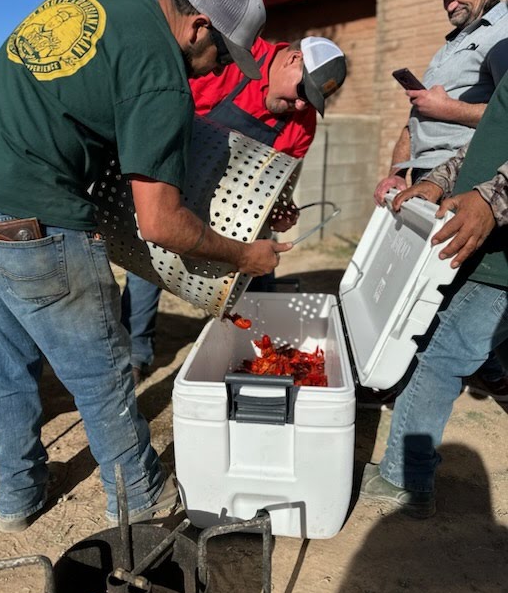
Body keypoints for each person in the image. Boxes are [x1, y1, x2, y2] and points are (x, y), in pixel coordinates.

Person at [0, 0, 291, 533]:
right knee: (101, 370)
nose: (220, 68)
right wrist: (246, 256)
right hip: (32, 218)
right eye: (223, 55)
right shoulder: (162, 76)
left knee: (6, 364)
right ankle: (143, 497)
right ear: (199, 27)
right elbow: (160, 224)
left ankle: (17, 496)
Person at [121, 35, 347, 384]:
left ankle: (262, 354)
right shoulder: (234, 59)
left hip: (235, 208)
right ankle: (135, 353)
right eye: (302, 93)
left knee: (260, 268)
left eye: (313, 101)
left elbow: (280, 186)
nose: (301, 107)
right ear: (292, 60)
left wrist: (281, 210)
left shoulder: (302, 125)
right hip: (177, 185)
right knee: (148, 265)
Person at [360, 61, 508, 518]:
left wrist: (491, 198)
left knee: (442, 357)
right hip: (480, 244)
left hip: (500, 258)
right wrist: (437, 179)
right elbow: (486, 144)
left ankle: (406, 479)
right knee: (450, 347)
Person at [373, 0, 508, 400]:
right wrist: (397, 169)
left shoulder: (501, 34)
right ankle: (487, 371)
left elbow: (503, 116)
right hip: (424, 180)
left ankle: (398, 379)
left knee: (425, 299)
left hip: (464, 187)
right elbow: (415, 118)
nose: (449, 1)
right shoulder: (451, 43)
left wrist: (448, 110)